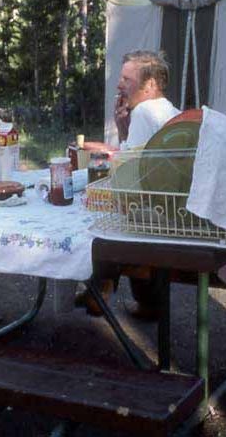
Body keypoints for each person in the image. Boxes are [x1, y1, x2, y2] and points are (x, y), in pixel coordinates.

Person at [78, 50, 180, 318]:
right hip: (170, 205)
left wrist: (100, 155)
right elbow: (136, 156)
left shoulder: (146, 111)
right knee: (128, 207)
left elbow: (127, 171)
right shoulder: (165, 108)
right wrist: (122, 128)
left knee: (101, 213)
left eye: (126, 78)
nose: (119, 84)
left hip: (158, 214)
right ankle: (139, 300)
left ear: (149, 86)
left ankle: (101, 284)